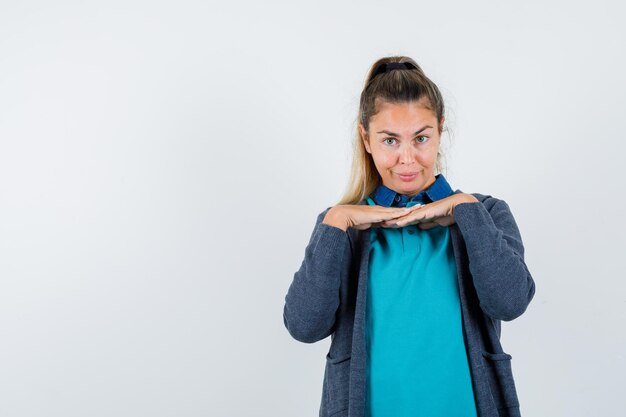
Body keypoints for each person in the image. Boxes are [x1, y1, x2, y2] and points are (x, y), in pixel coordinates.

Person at [282, 56, 536, 417]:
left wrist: (464, 208)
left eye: (421, 138)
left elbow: (510, 303)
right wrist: (338, 219)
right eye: (389, 140)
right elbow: (304, 326)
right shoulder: (342, 229)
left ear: (440, 131)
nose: (406, 159)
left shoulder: (485, 214)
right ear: (365, 138)